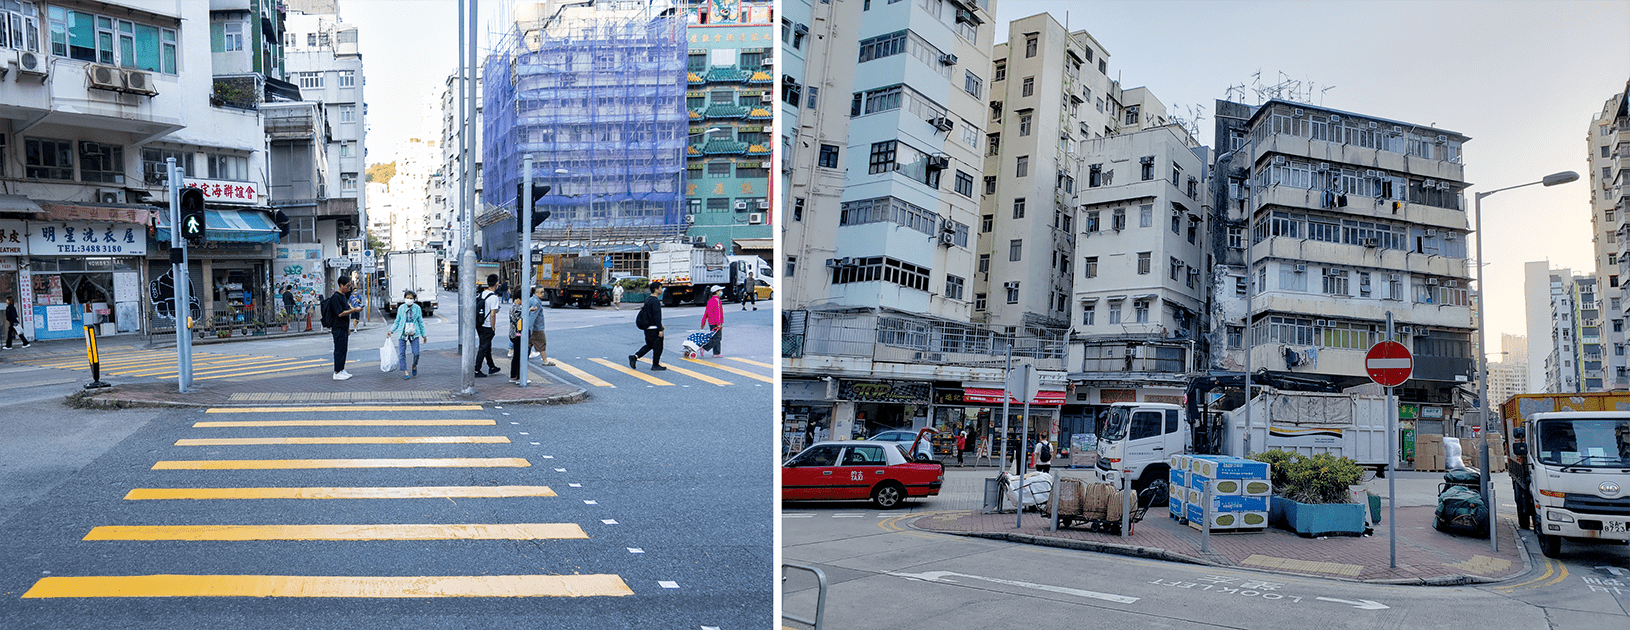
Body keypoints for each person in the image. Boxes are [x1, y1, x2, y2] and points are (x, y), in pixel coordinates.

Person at [322, 276, 362, 380]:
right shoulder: (336, 297)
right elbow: (340, 313)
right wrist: (354, 310)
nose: (349, 288)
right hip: (338, 327)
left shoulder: (343, 295)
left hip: (343, 327)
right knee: (339, 349)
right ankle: (337, 372)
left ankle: (342, 369)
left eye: (350, 286)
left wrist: (347, 328)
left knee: (344, 349)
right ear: (341, 285)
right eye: (347, 286)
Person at [386, 289, 427, 379]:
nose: (409, 299)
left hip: (414, 334)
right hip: (402, 334)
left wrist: (424, 335)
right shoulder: (401, 308)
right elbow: (397, 322)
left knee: (416, 353)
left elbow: (420, 322)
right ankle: (405, 371)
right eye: (407, 297)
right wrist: (391, 331)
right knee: (402, 354)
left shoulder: (417, 308)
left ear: (414, 299)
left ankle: (414, 365)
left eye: (411, 298)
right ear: (404, 298)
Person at [628, 280, 667, 371]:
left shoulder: (648, 300)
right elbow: (657, 316)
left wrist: (660, 325)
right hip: (654, 328)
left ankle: (635, 357)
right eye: (660, 288)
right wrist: (660, 329)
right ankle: (655, 365)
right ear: (656, 289)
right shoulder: (655, 301)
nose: (661, 290)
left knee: (649, 345)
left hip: (647, 328)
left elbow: (650, 315)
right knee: (658, 347)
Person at [474, 274, 502, 377]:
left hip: (479, 324)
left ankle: (491, 366)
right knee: (483, 347)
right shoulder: (493, 297)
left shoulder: (482, 294)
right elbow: (493, 314)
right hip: (487, 326)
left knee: (486, 346)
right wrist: (493, 327)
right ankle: (476, 369)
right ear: (496, 284)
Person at [700, 285, 725, 357]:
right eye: (720, 290)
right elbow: (717, 313)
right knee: (718, 338)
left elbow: (706, 312)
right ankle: (704, 347)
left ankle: (716, 353)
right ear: (716, 292)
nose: (721, 292)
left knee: (715, 338)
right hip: (715, 322)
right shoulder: (717, 301)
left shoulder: (710, 300)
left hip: (711, 322)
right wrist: (719, 323)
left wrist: (703, 322)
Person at [506, 292, 524, 383]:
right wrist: (528, 311)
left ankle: (514, 375)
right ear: (518, 298)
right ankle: (517, 376)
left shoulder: (514, 307)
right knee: (518, 355)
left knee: (517, 355)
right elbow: (518, 318)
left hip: (513, 334)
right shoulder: (515, 307)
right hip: (516, 334)